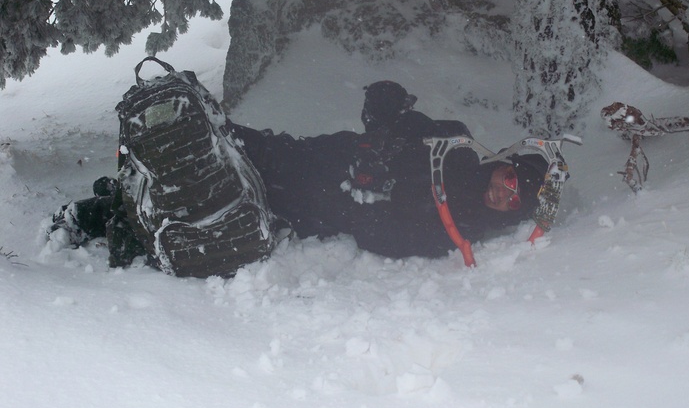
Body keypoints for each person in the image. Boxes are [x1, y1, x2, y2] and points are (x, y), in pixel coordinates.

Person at [48, 81, 548, 267]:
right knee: (227, 145)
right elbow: (398, 123)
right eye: (511, 183)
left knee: (221, 198)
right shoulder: (457, 143)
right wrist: (382, 126)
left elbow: (395, 241)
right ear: (505, 163)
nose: (506, 196)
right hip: (322, 157)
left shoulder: (460, 229)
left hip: (318, 206)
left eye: (516, 202)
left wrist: (362, 207)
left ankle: (99, 215)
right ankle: (138, 173)